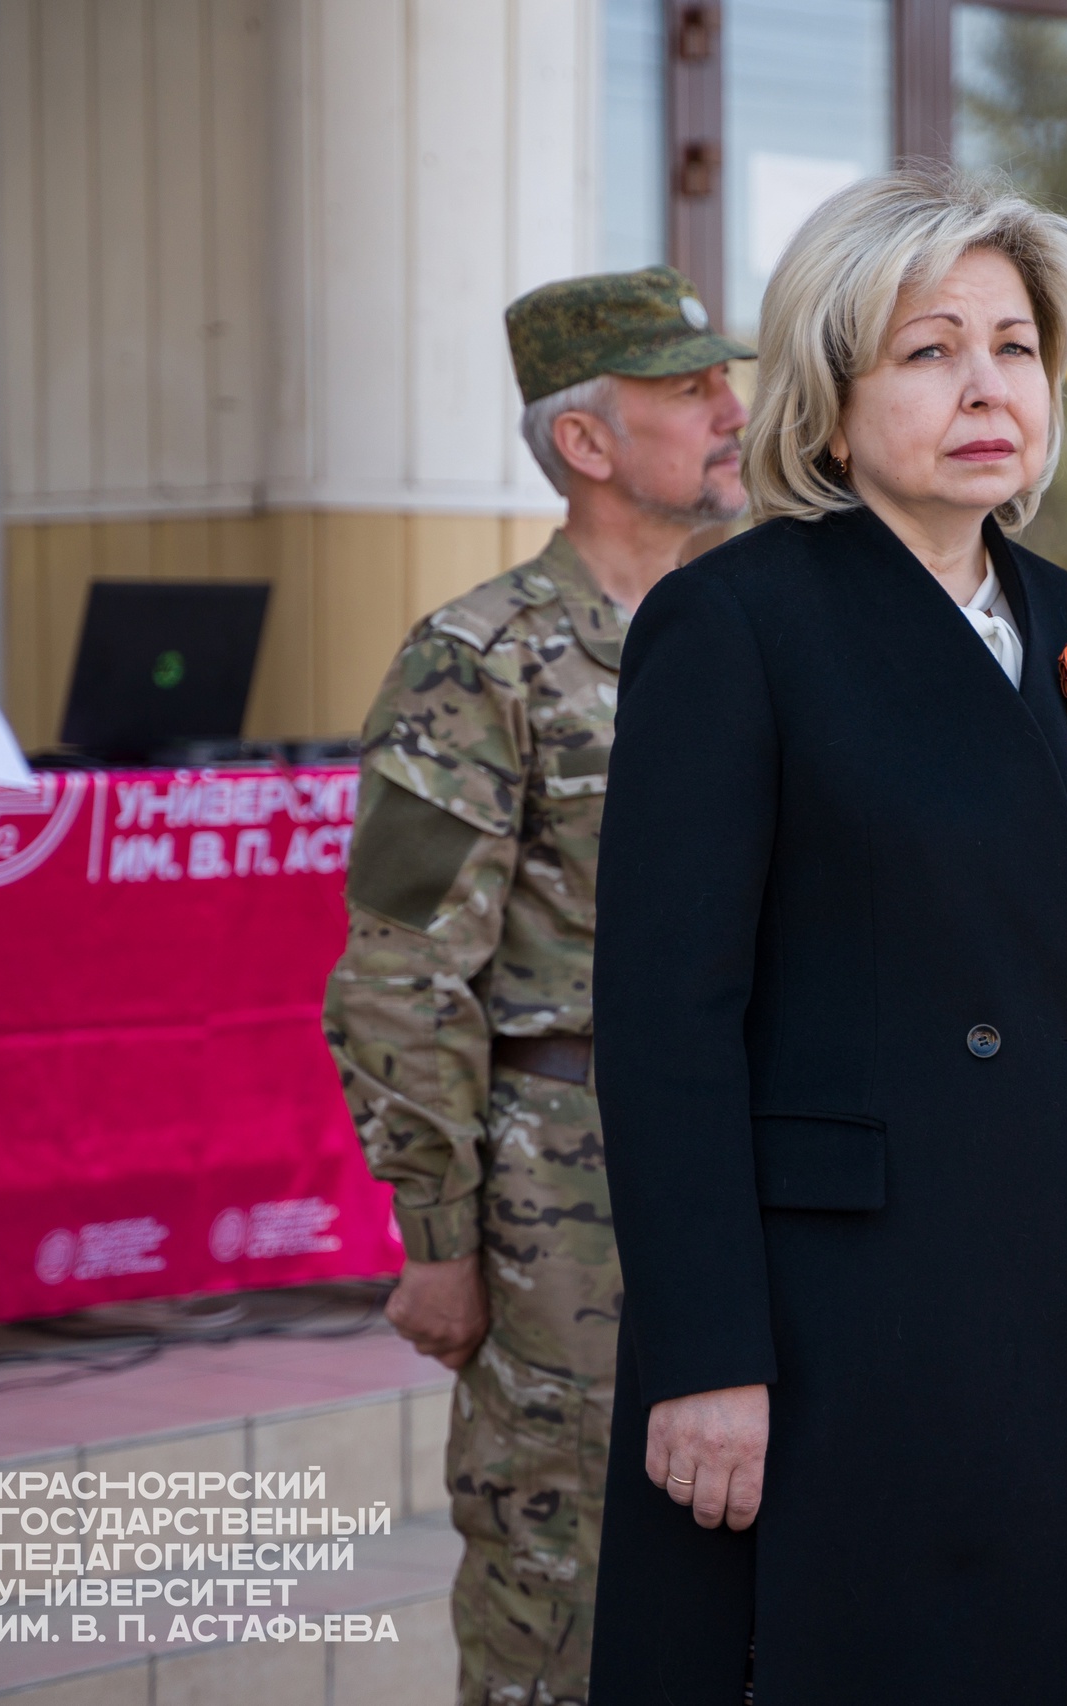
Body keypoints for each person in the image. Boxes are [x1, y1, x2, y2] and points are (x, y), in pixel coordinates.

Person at [586, 165, 1067, 1704]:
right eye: (931, 350)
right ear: (830, 393)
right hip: (843, 1311)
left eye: (1015, 344)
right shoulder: (737, 620)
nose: (987, 385)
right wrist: (706, 1348)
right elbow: (668, 1018)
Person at [324, 264, 752, 1705]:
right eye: (687, 388)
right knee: (557, 1579)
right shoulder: (475, 662)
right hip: (565, 1194)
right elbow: (399, 963)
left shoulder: (758, 634)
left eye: (722, 379)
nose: (731, 409)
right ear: (586, 441)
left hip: (754, 1159)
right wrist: (437, 1231)